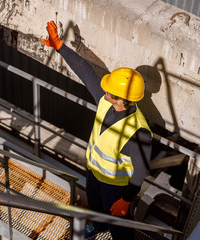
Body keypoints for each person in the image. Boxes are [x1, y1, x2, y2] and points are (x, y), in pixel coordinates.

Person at [41, 21, 152, 240]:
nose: (104, 89)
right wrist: (59, 46)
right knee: (97, 209)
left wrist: (126, 200)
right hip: (93, 172)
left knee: (120, 226)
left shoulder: (139, 131)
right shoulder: (106, 101)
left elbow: (140, 172)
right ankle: (100, 226)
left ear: (122, 100)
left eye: (110, 91)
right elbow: (85, 71)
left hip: (115, 187)